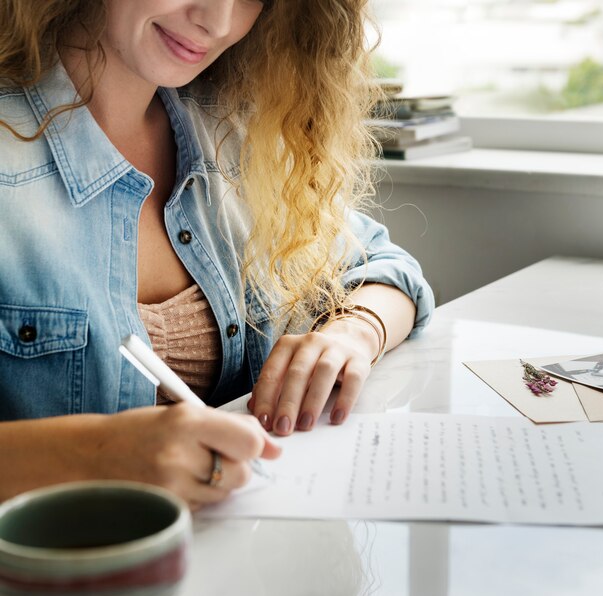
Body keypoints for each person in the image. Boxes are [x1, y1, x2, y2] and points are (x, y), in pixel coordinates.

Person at [0, 0, 434, 507]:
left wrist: (352, 333)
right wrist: (96, 456)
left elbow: (385, 267)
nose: (218, 21)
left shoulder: (230, 131)